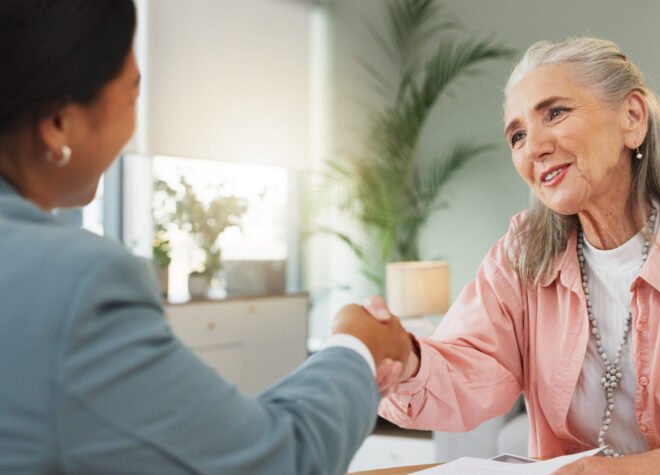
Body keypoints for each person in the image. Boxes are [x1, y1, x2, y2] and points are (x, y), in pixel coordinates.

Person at [368, 37, 660, 474]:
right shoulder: (521, 255)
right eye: (516, 135)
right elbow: (468, 373)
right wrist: (404, 357)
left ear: (632, 118)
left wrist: (654, 468)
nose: (532, 146)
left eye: (554, 113)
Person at [0, 2, 410, 474]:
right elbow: (277, 460)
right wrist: (355, 347)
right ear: (58, 124)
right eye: (134, 92)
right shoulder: (73, 286)